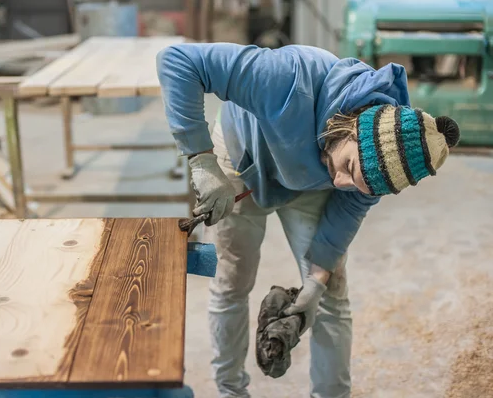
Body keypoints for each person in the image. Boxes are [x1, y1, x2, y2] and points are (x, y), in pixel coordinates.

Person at [156, 42, 460, 398]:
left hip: (307, 174)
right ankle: (231, 391)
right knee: (232, 281)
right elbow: (178, 61)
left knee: (331, 292)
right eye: (349, 168)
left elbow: (347, 202)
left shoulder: (377, 164)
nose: (341, 184)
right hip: (241, 158)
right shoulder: (287, 79)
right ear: (351, 127)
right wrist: (202, 162)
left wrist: (315, 282)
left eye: (356, 185)